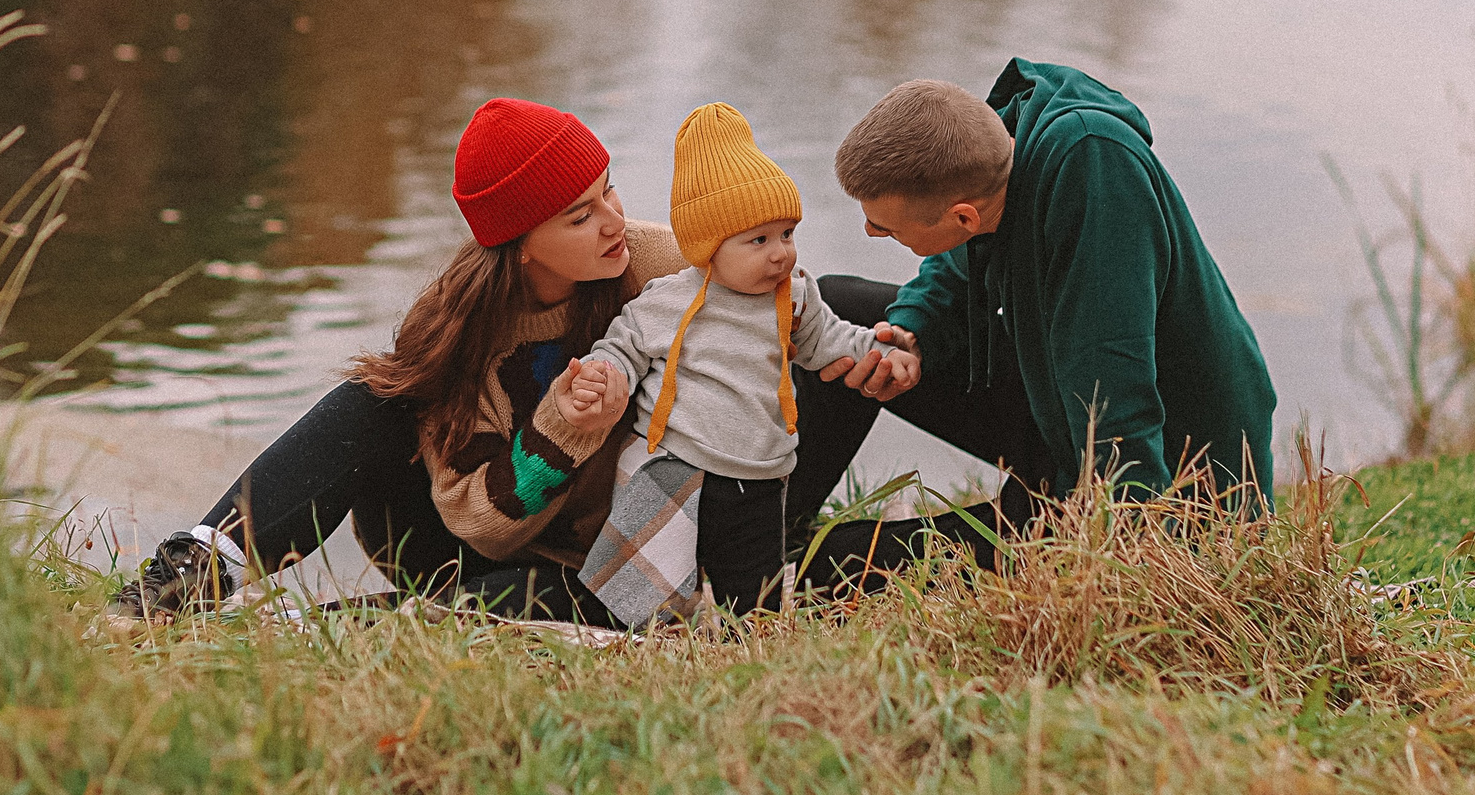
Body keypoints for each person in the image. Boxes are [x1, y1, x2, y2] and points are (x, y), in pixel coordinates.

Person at [108, 97, 924, 624]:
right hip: (487, 540)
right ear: (520, 241)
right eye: (579, 215)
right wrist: (563, 427)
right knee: (373, 399)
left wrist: (876, 351)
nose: (613, 221)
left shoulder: (656, 262)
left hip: (646, 530)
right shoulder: (461, 327)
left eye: (608, 190)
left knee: (848, 300)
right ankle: (189, 574)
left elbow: (783, 287)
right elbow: (485, 524)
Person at [826, 61, 1278, 513]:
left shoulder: (1095, 170)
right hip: (1058, 407)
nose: (870, 232)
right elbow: (961, 263)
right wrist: (912, 333)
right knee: (834, 311)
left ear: (964, 216)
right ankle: (782, 529)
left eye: (886, 228)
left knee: (841, 554)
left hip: (1172, 473)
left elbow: (1112, 373)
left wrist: (1123, 525)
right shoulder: (998, 156)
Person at [567, 104, 885, 625]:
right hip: (673, 466)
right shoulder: (667, 300)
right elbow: (623, 348)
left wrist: (879, 350)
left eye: (787, 233)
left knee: (754, 594)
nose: (780, 253)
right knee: (645, 590)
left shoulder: (794, 296)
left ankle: (748, 639)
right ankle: (645, 633)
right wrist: (604, 376)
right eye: (759, 240)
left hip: (758, 474)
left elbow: (828, 340)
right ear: (707, 248)